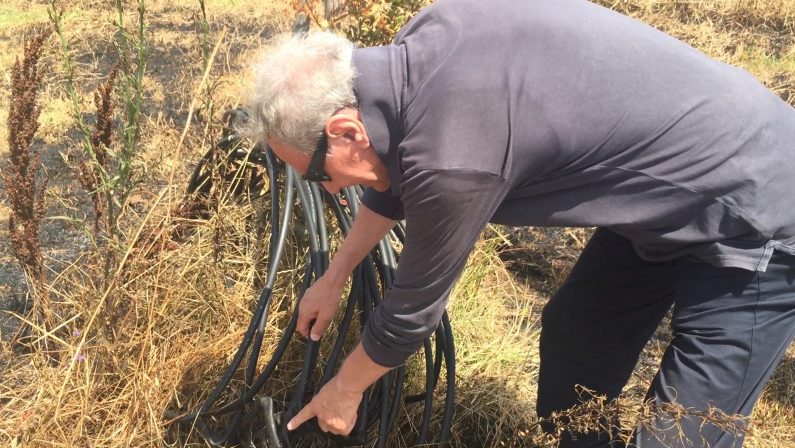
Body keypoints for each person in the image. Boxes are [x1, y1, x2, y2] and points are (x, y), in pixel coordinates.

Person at [248, 0, 795, 446]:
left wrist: (345, 390)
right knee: (578, 337)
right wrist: (336, 272)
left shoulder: (454, 153)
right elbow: (392, 178)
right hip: (670, 197)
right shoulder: (413, 51)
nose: (331, 189)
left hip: (757, 210)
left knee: (683, 433)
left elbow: (411, 312)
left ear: (346, 129)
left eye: (319, 172)